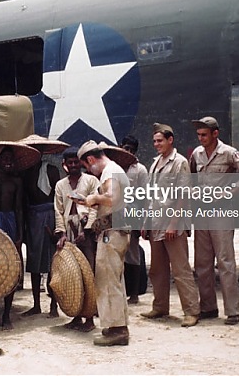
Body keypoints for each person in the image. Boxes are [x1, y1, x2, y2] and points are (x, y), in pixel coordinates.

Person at [190, 116, 239, 325]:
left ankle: (233, 311)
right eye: (199, 135)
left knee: (225, 262)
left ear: (215, 134)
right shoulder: (196, 154)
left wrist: (230, 192)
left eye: (204, 135)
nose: (201, 138)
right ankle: (208, 307)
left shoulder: (228, 153)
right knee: (202, 264)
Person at [139, 123, 201, 327]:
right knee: (157, 269)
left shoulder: (179, 162)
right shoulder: (156, 163)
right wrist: (146, 222)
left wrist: (174, 223)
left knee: (181, 269)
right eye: (155, 141)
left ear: (170, 140)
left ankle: (191, 311)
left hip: (173, 223)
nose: (157, 144)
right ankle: (160, 306)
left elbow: (183, 195)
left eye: (160, 140)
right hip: (156, 222)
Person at [75, 140, 131, 347]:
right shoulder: (114, 171)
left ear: (90, 159)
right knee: (114, 279)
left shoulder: (110, 171)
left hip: (112, 231)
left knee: (107, 280)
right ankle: (117, 324)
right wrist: (91, 200)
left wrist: (93, 198)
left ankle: (117, 330)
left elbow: (112, 197)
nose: (89, 170)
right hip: (115, 230)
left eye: (87, 166)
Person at [53, 146, 101, 332]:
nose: (73, 165)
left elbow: (94, 206)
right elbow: (58, 210)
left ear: (81, 163)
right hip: (69, 229)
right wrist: (62, 234)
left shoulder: (90, 180)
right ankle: (75, 316)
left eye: (76, 162)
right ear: (64, 165)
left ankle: (89, 318)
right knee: (71, 275)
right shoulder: (60, 185)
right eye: (69, 162)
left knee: (88, 274)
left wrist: (87, 230)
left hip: (86, 230)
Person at [0, 147, 24, 330]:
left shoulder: (16, 182)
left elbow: (19, 209)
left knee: (10, 270)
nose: (8, 162)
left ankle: (6, 315)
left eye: (11, 159)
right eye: (5, 158)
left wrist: (19, 235)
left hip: (10, 221)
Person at [21, 151, 61, 318]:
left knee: (53, 261)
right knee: (34, 261)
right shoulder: (25, 173)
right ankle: (36, 304)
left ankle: (54, 305)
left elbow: (57, 197)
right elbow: (24, 200)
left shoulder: (51, 170)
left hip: (50, 216)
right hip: (32, 218)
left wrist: (57, 225)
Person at [120, 135, 148, 304]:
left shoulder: (140, 170)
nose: (128, 152)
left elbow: (144, 196)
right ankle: (123, 290)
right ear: (120, 146)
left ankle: (135, 294)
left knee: (133, 254)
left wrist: (143, 220)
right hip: (116, 213)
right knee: (118, 254)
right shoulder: (114, 166)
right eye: (126, 148)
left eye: (131, 150)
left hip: (133, 213)